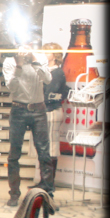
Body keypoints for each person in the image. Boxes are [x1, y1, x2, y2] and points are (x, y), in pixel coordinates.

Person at [3, 44, 55, 206]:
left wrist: (34, 60)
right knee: (14, 154)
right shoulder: (10, 61)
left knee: (44, 153)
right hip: (18, 109)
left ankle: (48, 194)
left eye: (29, 45)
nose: (25, 49)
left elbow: (48, 79)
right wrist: (18, 66)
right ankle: (14, 194)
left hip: (39, 109)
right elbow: (11, 87)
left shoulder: (40, 57)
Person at [34, 42, 68, 209]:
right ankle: (44, 181)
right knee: (42, 147)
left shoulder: (57, 73)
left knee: (51, 148)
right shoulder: (43, 71)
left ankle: (49, 184)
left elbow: (49, 94)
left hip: (51, 111)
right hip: (42, 111)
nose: (43, 55)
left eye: (47, 52)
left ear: (54, 56)